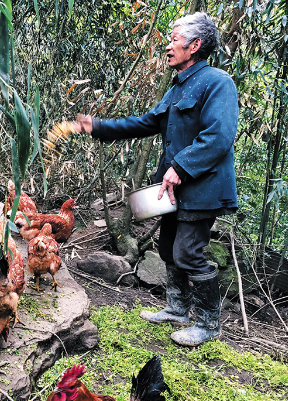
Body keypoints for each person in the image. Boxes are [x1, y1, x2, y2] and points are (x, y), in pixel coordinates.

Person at [76, 12, 239, 346]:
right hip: (172, 192)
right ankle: (177, 309)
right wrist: (100, 127)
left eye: (174, 38)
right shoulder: (178, 87)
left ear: (194, 45)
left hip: (201, 189)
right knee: (168, 249)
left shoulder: (217, 82)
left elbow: (220, 136)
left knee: (189, 252)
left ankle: (209, 324)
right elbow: (146, 122)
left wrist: (180, 167)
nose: (168, 45)